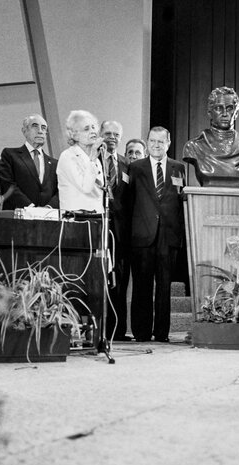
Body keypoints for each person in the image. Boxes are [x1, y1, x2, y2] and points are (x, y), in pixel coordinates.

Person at [127, 126, 185, 342]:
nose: (156, 145)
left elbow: (180, 203)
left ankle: (161, 333)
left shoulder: (178, 168)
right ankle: (141, 332)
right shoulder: (135, 168)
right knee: (142, 286)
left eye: (161, 141)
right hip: (142, 236)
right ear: (147, 142)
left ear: (168, 143)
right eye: (152, 141)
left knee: (164, 288)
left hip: (168, 237)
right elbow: (130, 202)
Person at [183, 86, 239, 187]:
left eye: (229, 108)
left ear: (236, 113)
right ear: (210, 113)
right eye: (219, 108)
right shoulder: (194, 147)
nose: (224, 114)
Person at [99, 120, 132, 341]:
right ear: (101, 134)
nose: (112, 137)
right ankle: (99, 329)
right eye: (108, 133)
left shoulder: (128, 164)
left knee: (119, 280)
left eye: (116, 134)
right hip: (98, 227)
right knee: (99, 278)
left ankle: (118, 331)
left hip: (121, 232)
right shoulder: (93, 159)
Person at [0, 114, 59, 210]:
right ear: (24, 131)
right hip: (18, 217)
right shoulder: (10, 155)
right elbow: (8, 185)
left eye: (43, 128)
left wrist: (48, 208)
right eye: (35, 126)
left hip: (48, 219)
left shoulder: (55, 164)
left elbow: (61, 190)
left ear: (46, 134)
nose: (40, 131)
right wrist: (31, 208)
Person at [57, 110, 105, 213]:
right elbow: (86, 188)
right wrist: (92, 159)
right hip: (75, 220)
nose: (92, 131)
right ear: (74, 135)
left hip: (96, 217)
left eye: (93, 127)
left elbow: (99, 189)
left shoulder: (96, 159)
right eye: (86, 129)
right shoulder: (67, 156)